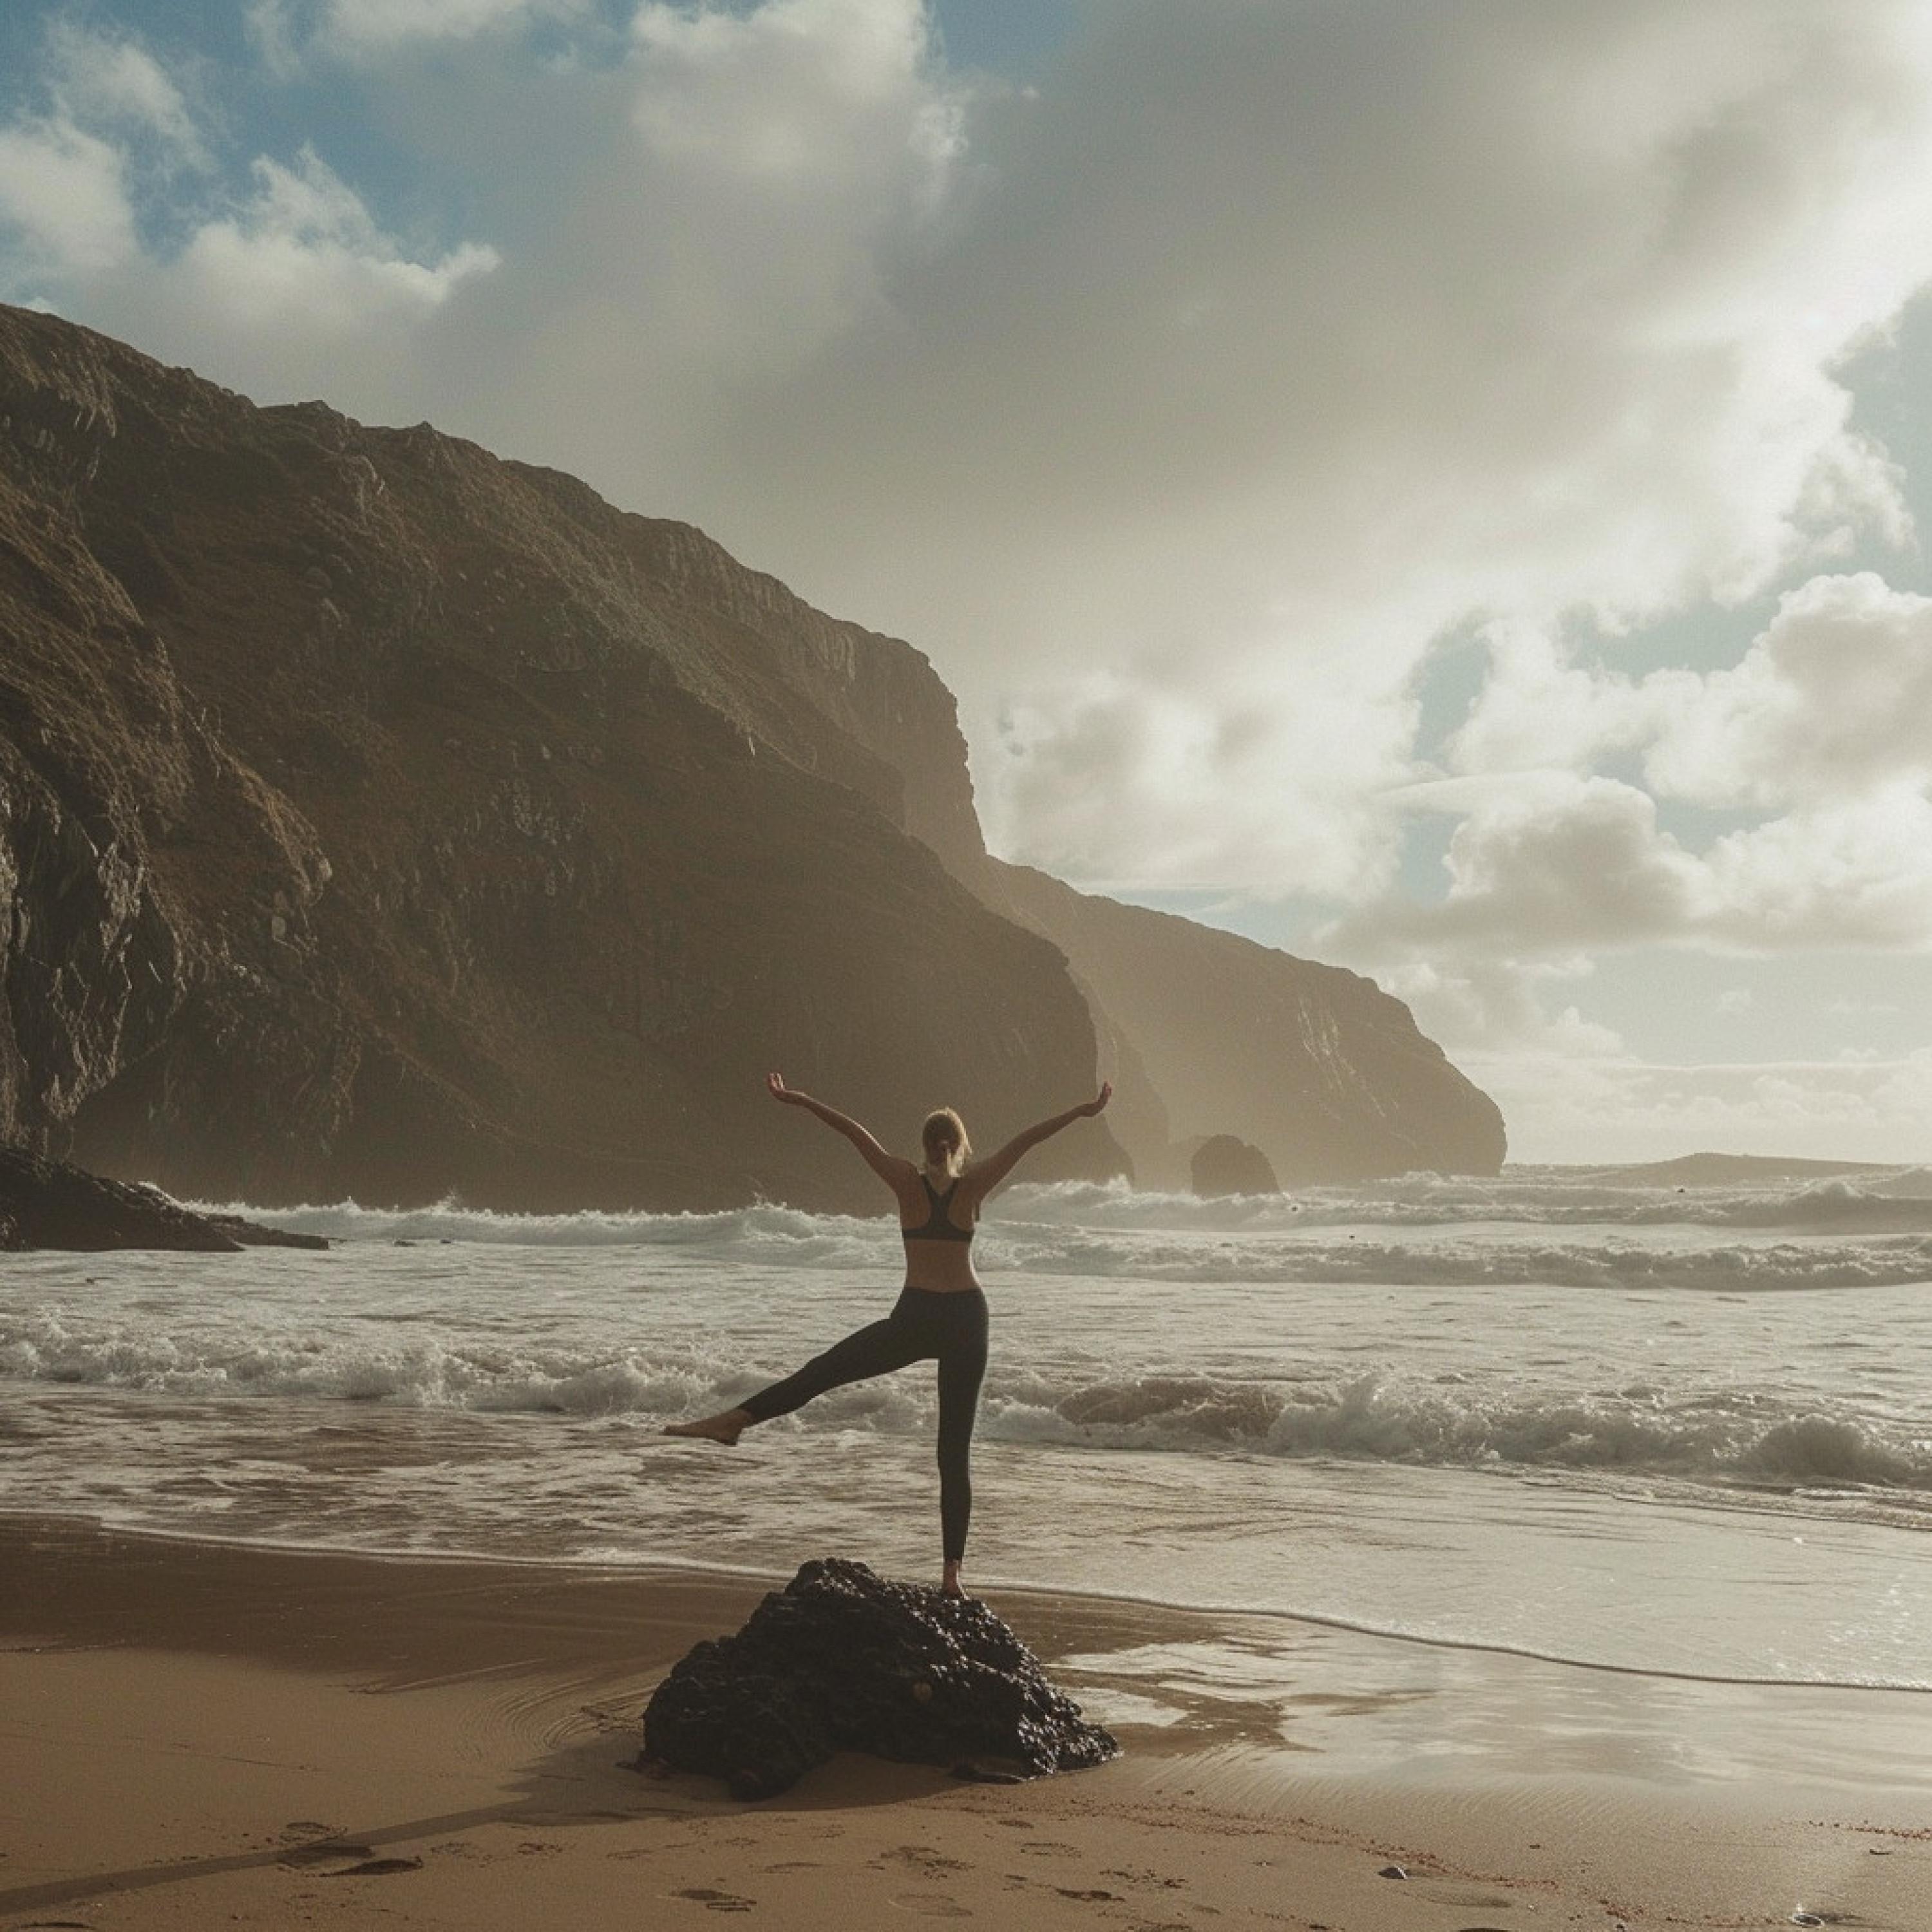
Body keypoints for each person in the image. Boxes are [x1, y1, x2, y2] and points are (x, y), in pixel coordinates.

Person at [664, 1070, 1113, 1598]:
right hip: (967, 1319)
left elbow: (853, 1133)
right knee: (953, 1454)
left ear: (924, 1146)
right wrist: (1083, 1112)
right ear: (960, 1145)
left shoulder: (904, 1180)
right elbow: (1029, 1138)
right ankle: (952, 1576)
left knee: (823, 1372)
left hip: (915, 1317)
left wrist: (803, 1100)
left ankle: (735, 1420)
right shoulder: (974, 1184)